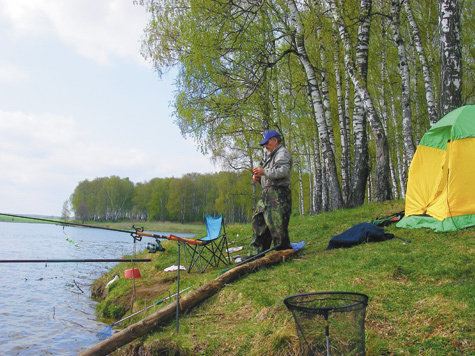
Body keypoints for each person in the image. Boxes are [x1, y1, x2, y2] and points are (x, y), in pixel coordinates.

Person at [247, 129, 293, 258]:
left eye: (266, 143)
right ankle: (256, 253)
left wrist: (264, 172)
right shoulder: (270, 155)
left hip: (279, 193)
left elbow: (283, 171)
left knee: (277, 225)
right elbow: (267, 175)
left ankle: (283, 252)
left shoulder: (282, 153)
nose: (265, 147)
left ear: (274, 140)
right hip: (267, 192)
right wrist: (257, 178)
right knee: (259, 222)